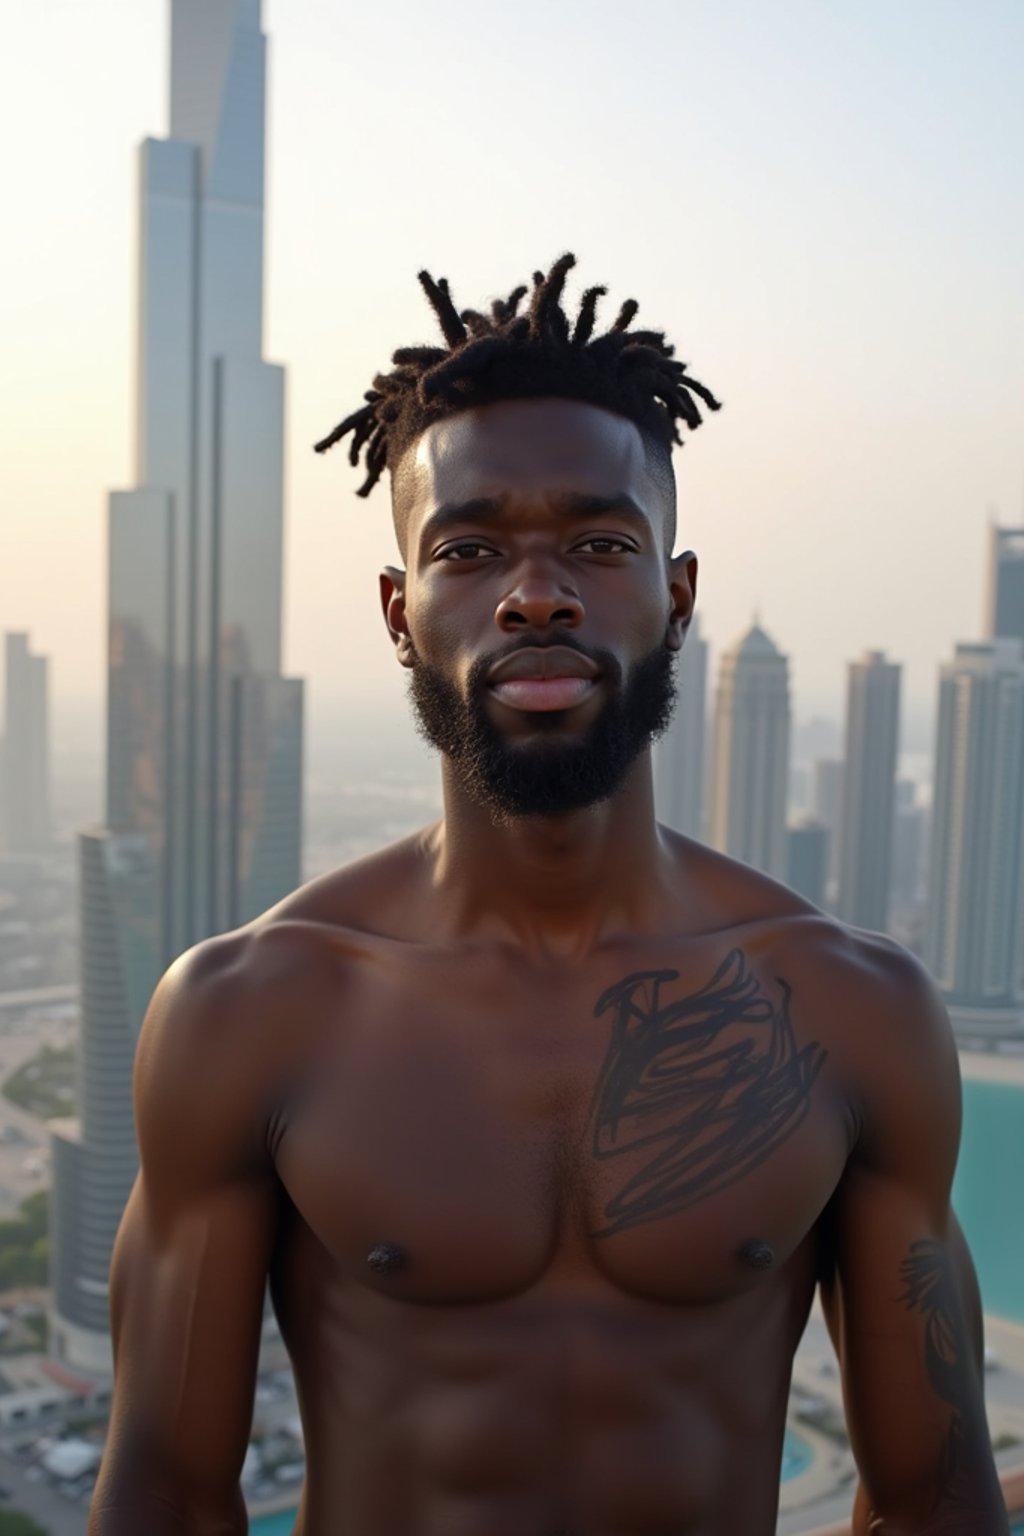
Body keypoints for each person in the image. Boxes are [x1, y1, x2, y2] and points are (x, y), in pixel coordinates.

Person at [89, 254, 1008, 1535]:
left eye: (598, 541)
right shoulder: (253, 1009)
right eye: (470, 548)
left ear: (675, 596)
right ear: (400, 612)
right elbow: (169, 1500)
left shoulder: (852, 1007)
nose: (535, 591)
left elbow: (934, 1505)